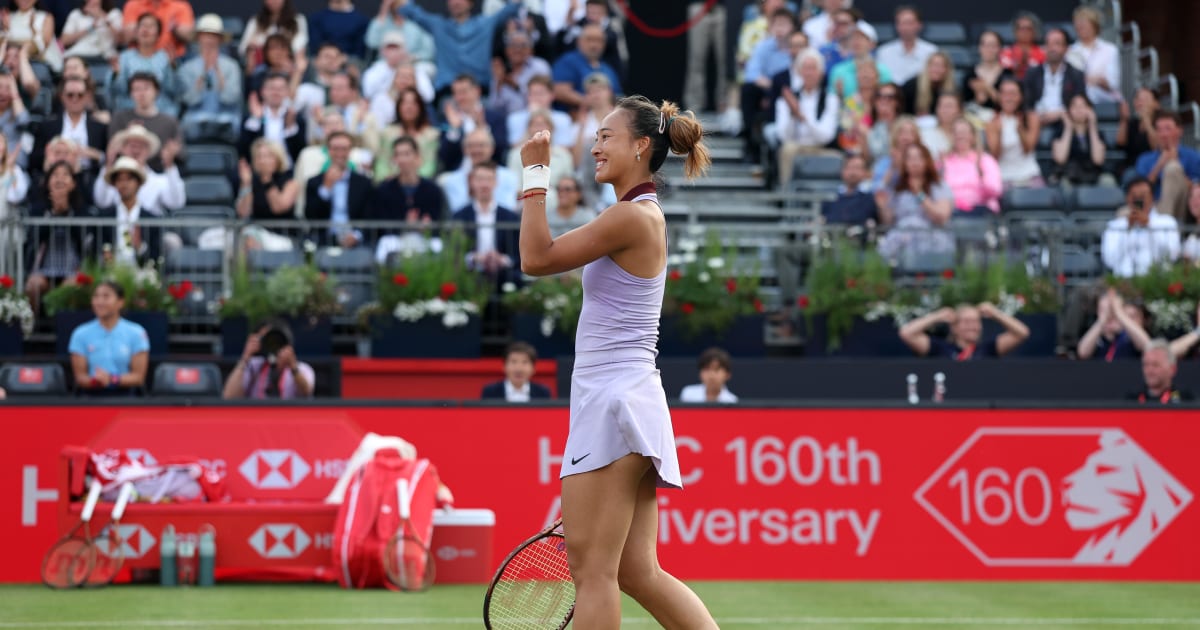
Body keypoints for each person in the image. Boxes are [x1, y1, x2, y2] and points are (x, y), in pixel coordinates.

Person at [517, 93, 718, 628]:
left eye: (607, 136)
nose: (596, 145)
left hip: (613, 404)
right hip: (627, 399)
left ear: (641, 145)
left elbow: (535, 258)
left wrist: (536, 174)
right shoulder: (638, 215)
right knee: (635, 572)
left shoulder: (630, 218)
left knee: (593, 573)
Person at [396, 0, 521, 95]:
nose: (456, 2)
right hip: (447, 94)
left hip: (480, 91)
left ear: (470, 3)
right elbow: (410, 11)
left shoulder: (485, 24)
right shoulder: (439, 25)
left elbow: (513, 7)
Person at [875, 143, 955, 263]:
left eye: (919, 158)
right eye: (910, 158)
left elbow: (942, 217)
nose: (914, 162)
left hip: (931, 239)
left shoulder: (938, 186)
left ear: (927, 161)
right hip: (901, 240)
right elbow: (889, 221)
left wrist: (920, 194)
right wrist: (882, 207)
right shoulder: (898, 188)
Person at [69, 280, 150, 396]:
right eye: (96, 297)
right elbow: (80, 377)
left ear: (120, 302)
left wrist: (112, 379)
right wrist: (95, 381)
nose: (99, 301)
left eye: (106, 296)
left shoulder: (137, 332)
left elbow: (138, 377)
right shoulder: (80, 333)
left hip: (126, 398)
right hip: (91, 398)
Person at [773, 49, 839, 188]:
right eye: (805, 68)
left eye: (813, 68)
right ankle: (787, 194)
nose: (809, 73)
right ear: (799, 72)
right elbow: (783, 136)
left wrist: (802, 116)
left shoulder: (830, 99)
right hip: (796, 146)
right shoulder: (785, 100)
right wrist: (792, 115)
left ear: (820, 73)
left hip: (820, 148)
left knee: (841, 159)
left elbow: (826, 136)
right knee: (787, 149)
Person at [451, 161, 521, 287]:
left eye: (489, 179)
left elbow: (518, 255)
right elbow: (454, 253)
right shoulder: (459, 216)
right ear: (472, 182)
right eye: (480, 179)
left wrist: (501, 259)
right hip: (469, 276)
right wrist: (473, 258)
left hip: (503, 277)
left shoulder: (510, 217)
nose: (484, 184)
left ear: (496, 182)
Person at [177, 15, 243, 145]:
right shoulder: (187, 68)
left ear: (219, 39)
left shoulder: (231, 66)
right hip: (195, 120)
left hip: (225, 120)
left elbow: (231, 98)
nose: (209, 40)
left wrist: (218, 73)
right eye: (205, 35)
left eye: (213, 36)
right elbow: (189, 100)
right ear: (198, 38)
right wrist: (202, 74)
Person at [29, 76, 107, 179]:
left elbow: (109, 160)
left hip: (89, 179)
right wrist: (52, 153)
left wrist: (95, 154)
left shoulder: (99, 127)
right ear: (62, 96)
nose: (75, 99)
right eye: (70, 95)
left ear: (87, 97)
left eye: (80, 95)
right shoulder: (47, 126)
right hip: (54, 177)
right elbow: (34, 160)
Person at [1101, 176, 1179, 278]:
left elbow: (1172, 255)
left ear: (1152, 197)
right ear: (1127, 198)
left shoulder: (1167, 222)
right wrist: (1127, 229)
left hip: (1158, 282)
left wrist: (1149, 225)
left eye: (1143, 196)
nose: (1139, 200)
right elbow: (1110, 260)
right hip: (1125, 282)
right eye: (1134, 196)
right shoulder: (1114, 226)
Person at [305, 131, 374, 248]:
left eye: (344, 149)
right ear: (328, 150)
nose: (340, 153)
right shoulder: (314, 182)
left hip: (356, 240)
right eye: (335, 149)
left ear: (350, 151)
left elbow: (369, 215)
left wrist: (356, 235)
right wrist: (326, 189)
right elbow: (311, 216)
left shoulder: (364, 183)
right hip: (324, 239)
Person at [899, 303, 1031, 359]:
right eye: (966, 322)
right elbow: (906, 333)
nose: (972, 326)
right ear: (954, 327)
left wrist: (996, 313)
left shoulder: (989, 348)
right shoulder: (939, 347)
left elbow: (1022, 333)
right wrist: (936, 316)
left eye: (975, 321)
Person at [222, 320, 315, 400]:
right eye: (266, 339)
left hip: (290, 418)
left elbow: (306, 394)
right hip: (257, 417)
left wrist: (293, 367)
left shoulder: (302, 369)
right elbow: (229, 397)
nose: (271, 344)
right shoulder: (252, 366)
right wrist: (245, 357)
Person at [1135, 110, 1200, 223]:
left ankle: (1164, 226)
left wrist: (1176, 165)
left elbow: (1196, 190)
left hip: (1185, 208)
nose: (1164, 134)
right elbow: (1139, 192)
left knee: (1173, 168)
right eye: (1159, 130)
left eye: (1168, 129)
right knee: (1122, 213)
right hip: (1152, 206)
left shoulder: (1193, 157)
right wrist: (1159, 165)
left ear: (1180, 131)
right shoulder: (1145, 159)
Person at [112, 14, 179, 116]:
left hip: (161, 110)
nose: (146, 30)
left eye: (151, 26)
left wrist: (172, 68)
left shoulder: (166, 57)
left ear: (158, 34)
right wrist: (116, 75)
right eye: (143, 26)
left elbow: (172, 91)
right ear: (136, 32)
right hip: (130, 108)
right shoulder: (124, 58)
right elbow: (118, 91)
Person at [100, 156, 161, 265]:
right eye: (119, 179)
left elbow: (156, 256)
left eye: (129, 179)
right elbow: (98, 247)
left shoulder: (151, 219)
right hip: (111, 275)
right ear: (115, 184)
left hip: (142, 276)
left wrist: (140, 247)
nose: (124, 184)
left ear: (138, 183)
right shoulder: (105, 216)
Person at [1023, 28, 1086, 131]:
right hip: (1036, 121)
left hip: (1066, 121)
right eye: (1049, 44)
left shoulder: (1076, 75)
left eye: (1057, 43)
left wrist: (1061, 113)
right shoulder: (1032, 73)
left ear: (1066, 48)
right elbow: (1027, 103)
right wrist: (1035, 116)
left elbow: (1080, 103)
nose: (1052, 48)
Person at [985, 78, 1043, 189]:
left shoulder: (1031, 117)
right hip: (1004, 176)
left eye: (1013, 94)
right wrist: (999, 133)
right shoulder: (992, 122)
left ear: (1021, 96)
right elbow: (995, 156)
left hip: (1029, 173)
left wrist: (1020, 131)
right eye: (1004, 94)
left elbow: (1028, 149)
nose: (1008, 98)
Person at [552, 23, 623, 111]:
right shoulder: (568, 61)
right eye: (589, 39)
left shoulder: (608, 69)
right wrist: (591, 102)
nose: (594, 45)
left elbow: (618, 96)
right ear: (579, 41)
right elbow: (559, 91)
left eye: (599, 40)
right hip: (575, 118)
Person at [375, 87, 440, 181]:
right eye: (405, 103)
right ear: (398, 106)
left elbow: (429, 165)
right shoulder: (387, 133)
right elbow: (382, 163)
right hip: (390, 184)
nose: (409, 107)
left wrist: (410, 180)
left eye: (414, 103)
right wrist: (388, 180)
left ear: (420, 107)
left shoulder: (432, 135)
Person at [940, 117, 1003, 215]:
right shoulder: (943, 161)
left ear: (973, 136)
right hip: (950, 212)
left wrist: (981, 175)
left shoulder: (985, 160)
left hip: (980, 210)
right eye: (956, 132)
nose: (960, 136)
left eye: (964, 132)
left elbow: (996, 191)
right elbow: (935, 192)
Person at [1067, 5, 1121, 105]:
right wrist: (1094, 79)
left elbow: (1112, 83)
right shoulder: (1069, 51)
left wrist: (1088, 80)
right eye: (1078, 23)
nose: (1080, 26)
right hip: (1077, 104)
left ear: (1095, 25)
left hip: (1105, 102)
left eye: (1084, 22)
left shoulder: (1110, 50)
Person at [1050, 94, 1107, 187]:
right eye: (1074, 106)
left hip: (1093, 176)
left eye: (1083, 106)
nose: (1079, 109)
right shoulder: (1059, 133)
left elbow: (1098, 160)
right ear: (1068, 110)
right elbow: (1060, 159)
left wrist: (1092, 126)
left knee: (1108, 181)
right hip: (1068, 175)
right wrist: (1068, 128)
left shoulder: (1098, 134)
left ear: (1090, 110)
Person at [1077, 289, 1150, 361]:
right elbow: (1082, 353)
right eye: (1103, 310)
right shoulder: (1095, 337)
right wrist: (1103, 319)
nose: (1110, 315)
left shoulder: (1130, 336)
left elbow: (1147, 346)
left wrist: (1119, 313)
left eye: (1113, 310)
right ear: (1097, 311)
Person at [682, 0, 726, 112]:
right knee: (696, 60)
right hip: (699, 6)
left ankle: (725, 103)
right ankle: (694, 104)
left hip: (723, 8)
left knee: (725, 60)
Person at [876, 5, 936, 87]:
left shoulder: (931, 51)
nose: (906, 28)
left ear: (919, 25)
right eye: (902, 23)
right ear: (896, 26)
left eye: (910, 23)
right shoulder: (884, 52)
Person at [240, 0, 309, 62]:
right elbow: (242, 49)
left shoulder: (298, 20)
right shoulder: (255, 21)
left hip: (290, 65)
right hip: (262, 65)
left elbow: (300, 45)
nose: (273, 1)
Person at [121, 0, 194, 59]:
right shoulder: (133, 4)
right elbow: (127, 36)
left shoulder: (180, 6)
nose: (147, 29)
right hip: (138, 58)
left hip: (173, 58)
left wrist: (175, 28)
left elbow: (189, 35)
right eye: (144, 25)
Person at [480, 341, 551, 401]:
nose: (519, 369)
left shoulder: (542, 393)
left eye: (525, 362)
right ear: (504, 367)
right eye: (513, 362)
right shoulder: (490, 392)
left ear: (533, 368)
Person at [1127, 339, 1192, 404]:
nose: (1149, 370)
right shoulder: (1132, 400)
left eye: (1156, 365)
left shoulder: (1184, 400)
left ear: (1172, 369)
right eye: (1146, 364)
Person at [962, 30, 1011, 114]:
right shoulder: (970, 74)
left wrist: (987, 88)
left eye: (993, 45)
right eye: (985, 45)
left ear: (1000, 48)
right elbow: (964, 103)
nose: (989, 49)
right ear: (979, 48)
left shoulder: (1008, 74)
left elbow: (1010, 103)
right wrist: (978, 100)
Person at [902, 51, 956, 119]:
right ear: (927, 67)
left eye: (941, 66)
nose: (937, 69)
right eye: (934, 65)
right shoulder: (911, 87)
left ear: (947, 70)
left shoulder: (953, 90)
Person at [1117, 87, 1158, 173]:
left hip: (1154, 166)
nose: (1141, 103)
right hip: (1132, 167)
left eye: (1145, 99)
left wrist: (1147, 121)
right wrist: (1124, 120)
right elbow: (1120, 144)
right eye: (1138, 99)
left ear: (1156, 103)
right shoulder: (1132, 123)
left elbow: (1157, 148)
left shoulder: (1160, 122)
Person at [1000, 11, 1044, 81]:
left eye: (1028, 29)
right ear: (1015, 31)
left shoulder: (1042, 54)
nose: (1025, 32)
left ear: (1035, 31)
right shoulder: (1006, 53)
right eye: (1021, 28)